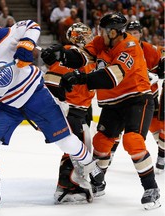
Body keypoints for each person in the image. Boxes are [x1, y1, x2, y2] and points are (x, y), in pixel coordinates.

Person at [0, 20, 103, 212]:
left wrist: (25, 44)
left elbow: (31, 24)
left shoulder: (1, 37)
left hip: (35, 94)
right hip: (9, 105)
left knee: (66, 142)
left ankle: (90, 165)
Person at [41, 12, 161, 210]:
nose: (98, 33)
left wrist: (80, 78)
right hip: (112, 104)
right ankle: (99, 183)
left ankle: (151, 188)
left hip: (136, 100)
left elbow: (110, 78)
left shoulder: (129, 47)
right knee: (100, 143)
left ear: (113, 32)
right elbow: (82, 57)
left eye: (102, 30)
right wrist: (60, 54)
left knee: (133, 141)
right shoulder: (100, 42)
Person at [41, 22, 98, 204]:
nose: (89, 38)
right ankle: (67, 186)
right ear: (76, 37)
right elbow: (50, 81)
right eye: (85, 35)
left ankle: (71, 184)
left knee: (81, 147)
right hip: (71, 110)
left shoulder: (88, 56)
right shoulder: (69, 53)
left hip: (83, 109)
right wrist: (62, 100)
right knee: (76, 148)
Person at [109, 20, 165, 172]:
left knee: (159, 127)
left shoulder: (151, 50)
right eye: (130, 33)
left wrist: (157, 72)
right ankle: (108, 156)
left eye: (136, 33)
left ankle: (162, 155)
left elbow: (161, 63)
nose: (133, 35)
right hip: (126, 95)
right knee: (116, 129)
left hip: (148, 96)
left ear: (141, 33)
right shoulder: (120, 48)